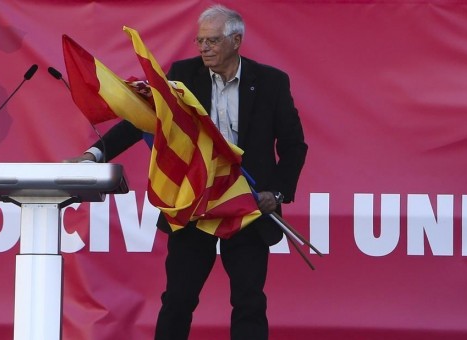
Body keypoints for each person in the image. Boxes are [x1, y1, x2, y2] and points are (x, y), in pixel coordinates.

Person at [67, 4, 307, 340]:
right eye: (200, 41)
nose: (204, 48)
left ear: (236, 41)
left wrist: (277, 193)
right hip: (194, 204)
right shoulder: (184, 76)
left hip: (247, 206)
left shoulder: (271, 83)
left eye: (212, 41)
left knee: (249, 302)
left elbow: (295, 146)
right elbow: (141, 118)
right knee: (178, 300)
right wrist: (94, 155)